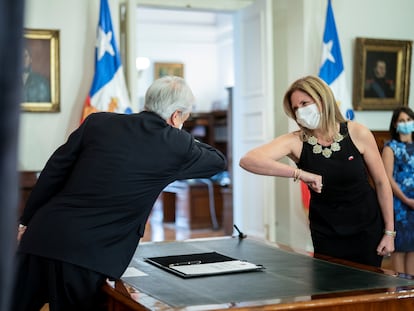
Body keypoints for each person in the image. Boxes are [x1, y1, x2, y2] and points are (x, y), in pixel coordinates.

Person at [12, 76, 227, 311]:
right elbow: (217, 161)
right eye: (185, 116)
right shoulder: (176, 144)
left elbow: (53, 172)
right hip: (87, 254)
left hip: (41, 237)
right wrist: (181, 134)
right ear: (176, 115)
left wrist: (26, 222)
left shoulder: (98, 122)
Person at [239, 75, 395, 267]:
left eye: (305, 103)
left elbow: (381, 182)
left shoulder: (358, 132)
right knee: (327, 290)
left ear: (322, 100)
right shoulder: (296, 141)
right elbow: (248, 160)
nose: (300, 112)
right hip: (326, 230)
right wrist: (299, 174)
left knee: (370, 290)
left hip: (367, 227)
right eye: (296, 108)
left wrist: (389, 232)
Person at [382, 107, 414, 275]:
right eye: (401, 121)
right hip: (399, 205)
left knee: (413, 250)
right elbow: (387, 179)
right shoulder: (390, 147)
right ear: (395, 124)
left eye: (409, 120)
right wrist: (406, 200)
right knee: (400, 249)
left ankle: (411, 295)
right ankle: (398, 294)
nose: (406, 124)